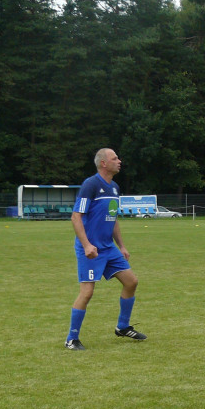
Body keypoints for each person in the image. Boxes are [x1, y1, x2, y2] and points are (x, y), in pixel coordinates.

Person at [65, 148, 145, 351]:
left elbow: (113, 218)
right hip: (91, 249)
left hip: (109, 248)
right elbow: (76, 217)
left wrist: (122, 246)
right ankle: (71, 339)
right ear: (103, 163)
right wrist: (86, 245)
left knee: (131, 282)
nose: (119, 161)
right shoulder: (90, 184)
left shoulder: (115, 187)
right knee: (87, 292)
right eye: (115, 158)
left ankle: (122, 327)